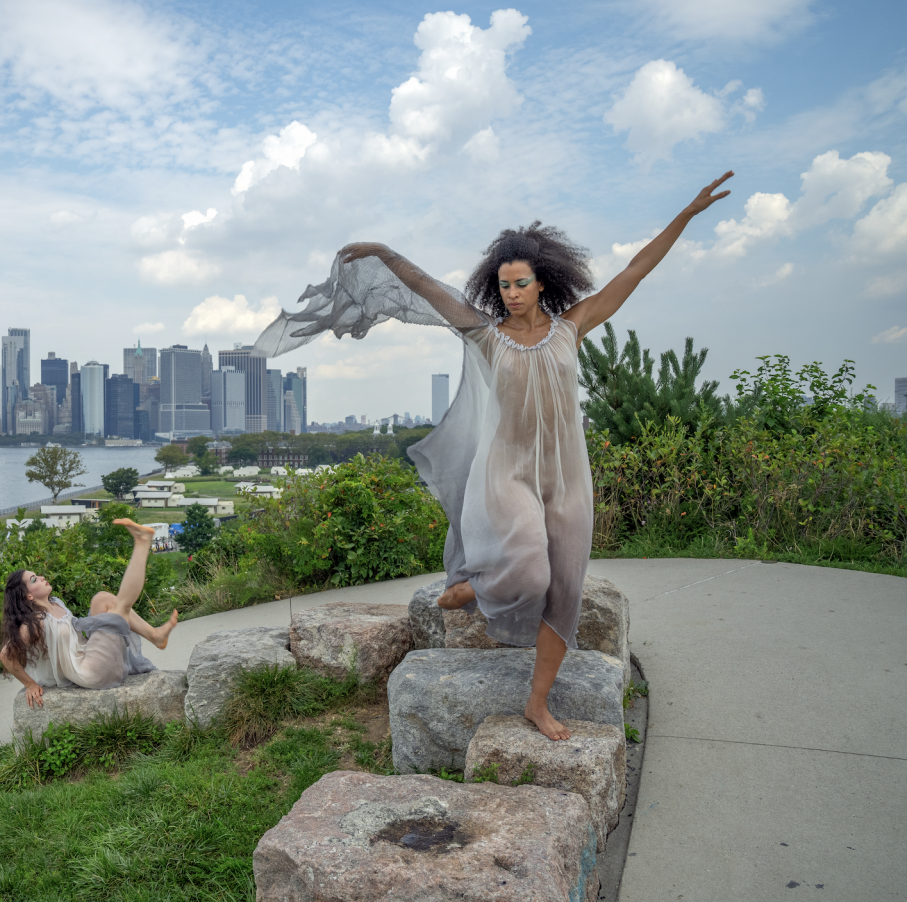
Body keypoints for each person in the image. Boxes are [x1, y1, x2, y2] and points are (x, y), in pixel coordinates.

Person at [252, 172, 733, 740]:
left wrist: (686, 214)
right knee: (528, 570)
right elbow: (431, 292)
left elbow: (634, 271)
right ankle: (480, 589)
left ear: (541, 282)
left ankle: (538, 702)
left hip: (567, 475)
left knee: (565, 590)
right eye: (503, 284)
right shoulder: (485, 335)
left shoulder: (571, 326)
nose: (511, 293)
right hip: (508, 470)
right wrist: (385, 253)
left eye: (520, 283)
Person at [0, 517, 180, 708]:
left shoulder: (55, 603)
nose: (41, 578)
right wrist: (30, 684)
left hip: (90, 656)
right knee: (120, 608)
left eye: (37, 575)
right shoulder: (35, 622)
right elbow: (5, 655)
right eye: (34, 580)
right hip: (91, 672)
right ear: (28, 596)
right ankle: (142, 543)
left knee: (102, 599)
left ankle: (155, 635)